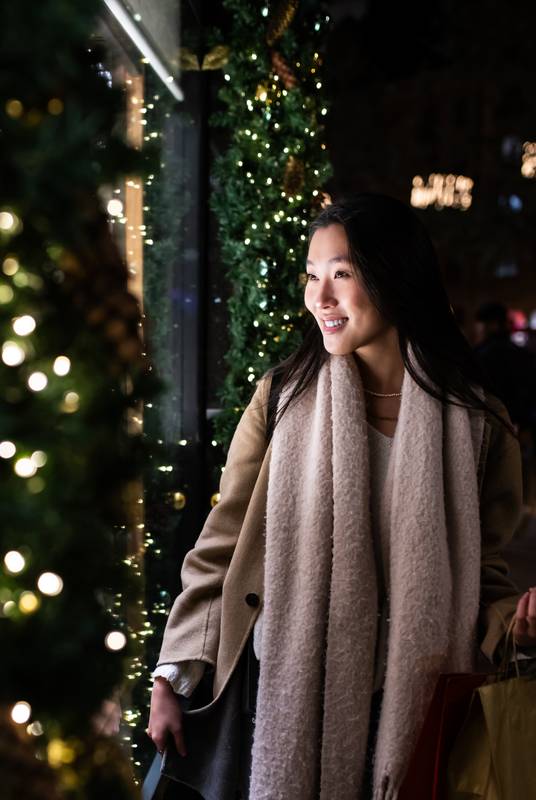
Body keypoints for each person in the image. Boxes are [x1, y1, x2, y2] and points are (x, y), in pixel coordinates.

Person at [147, 194, 536, 800]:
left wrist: (520, 629)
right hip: (280, 695)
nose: (319, 298)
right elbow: (223, 542)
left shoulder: (478, 424)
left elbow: (484, 579)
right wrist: (172, 675)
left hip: (416, 707)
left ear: (395, 277)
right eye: (312, 276)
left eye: (342, 275)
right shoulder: (281, 398)